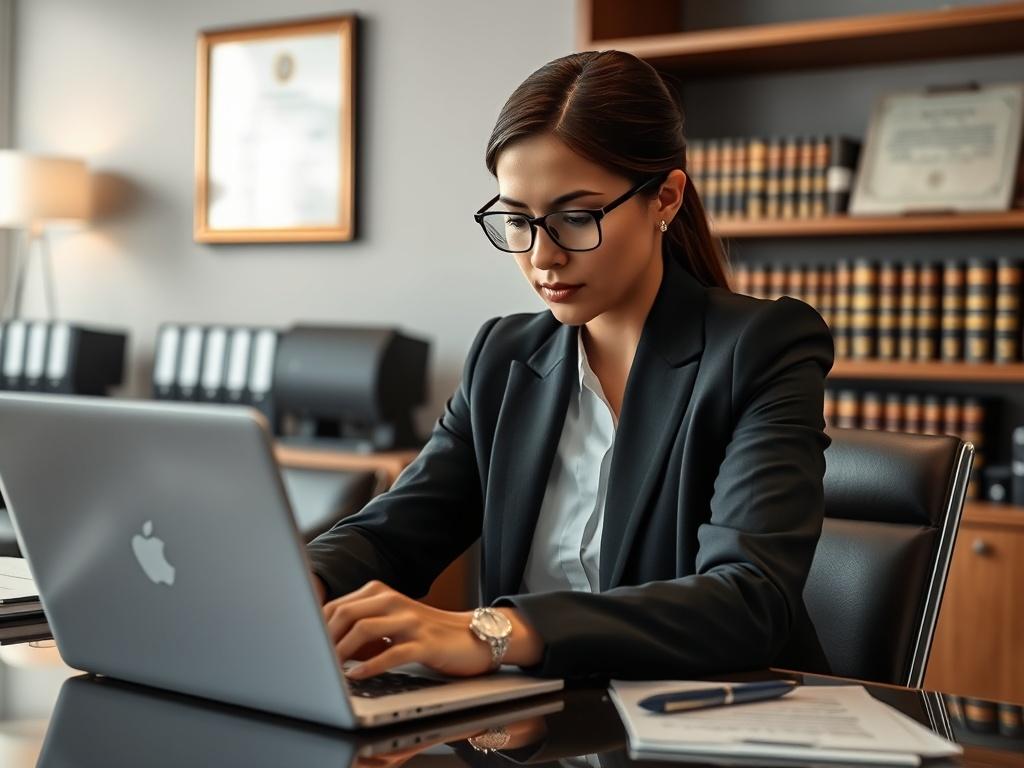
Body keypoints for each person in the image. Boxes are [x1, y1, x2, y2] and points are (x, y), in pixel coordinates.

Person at [305, 50, 834, 682]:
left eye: (576, 217)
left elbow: (749, 600)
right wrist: (302, 584)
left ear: (664, 198)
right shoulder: (503, 358)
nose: (542, 257)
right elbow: (395, 532)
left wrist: (496, 631)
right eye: (517, 221)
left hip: (701, 726)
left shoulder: (761, 346)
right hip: (536, 728)